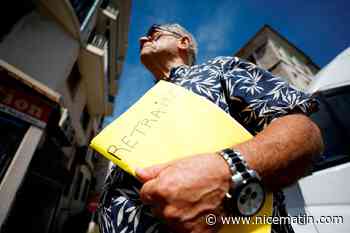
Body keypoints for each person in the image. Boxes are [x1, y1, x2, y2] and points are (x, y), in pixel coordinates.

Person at [98, 23, 323, 233]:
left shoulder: (219, 69)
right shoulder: (144, 104)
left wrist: (228, 173)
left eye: (154, 34)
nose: (142, 38)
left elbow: (304, 133)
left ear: (183, 42)